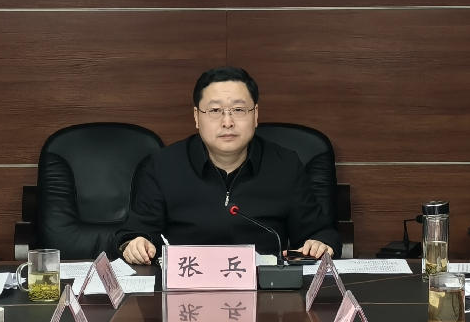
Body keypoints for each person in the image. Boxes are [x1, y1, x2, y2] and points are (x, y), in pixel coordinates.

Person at [118, 67, 340, 265]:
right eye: (215, 111)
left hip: (265, 289)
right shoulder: (162, 166)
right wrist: (136, 244)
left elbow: (320, 233)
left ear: (255, 115)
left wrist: (320, 243)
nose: (227, 122)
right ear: (196, 117)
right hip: (186, 287)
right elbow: (135, 233)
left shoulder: (285, 165)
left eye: (239, 110)